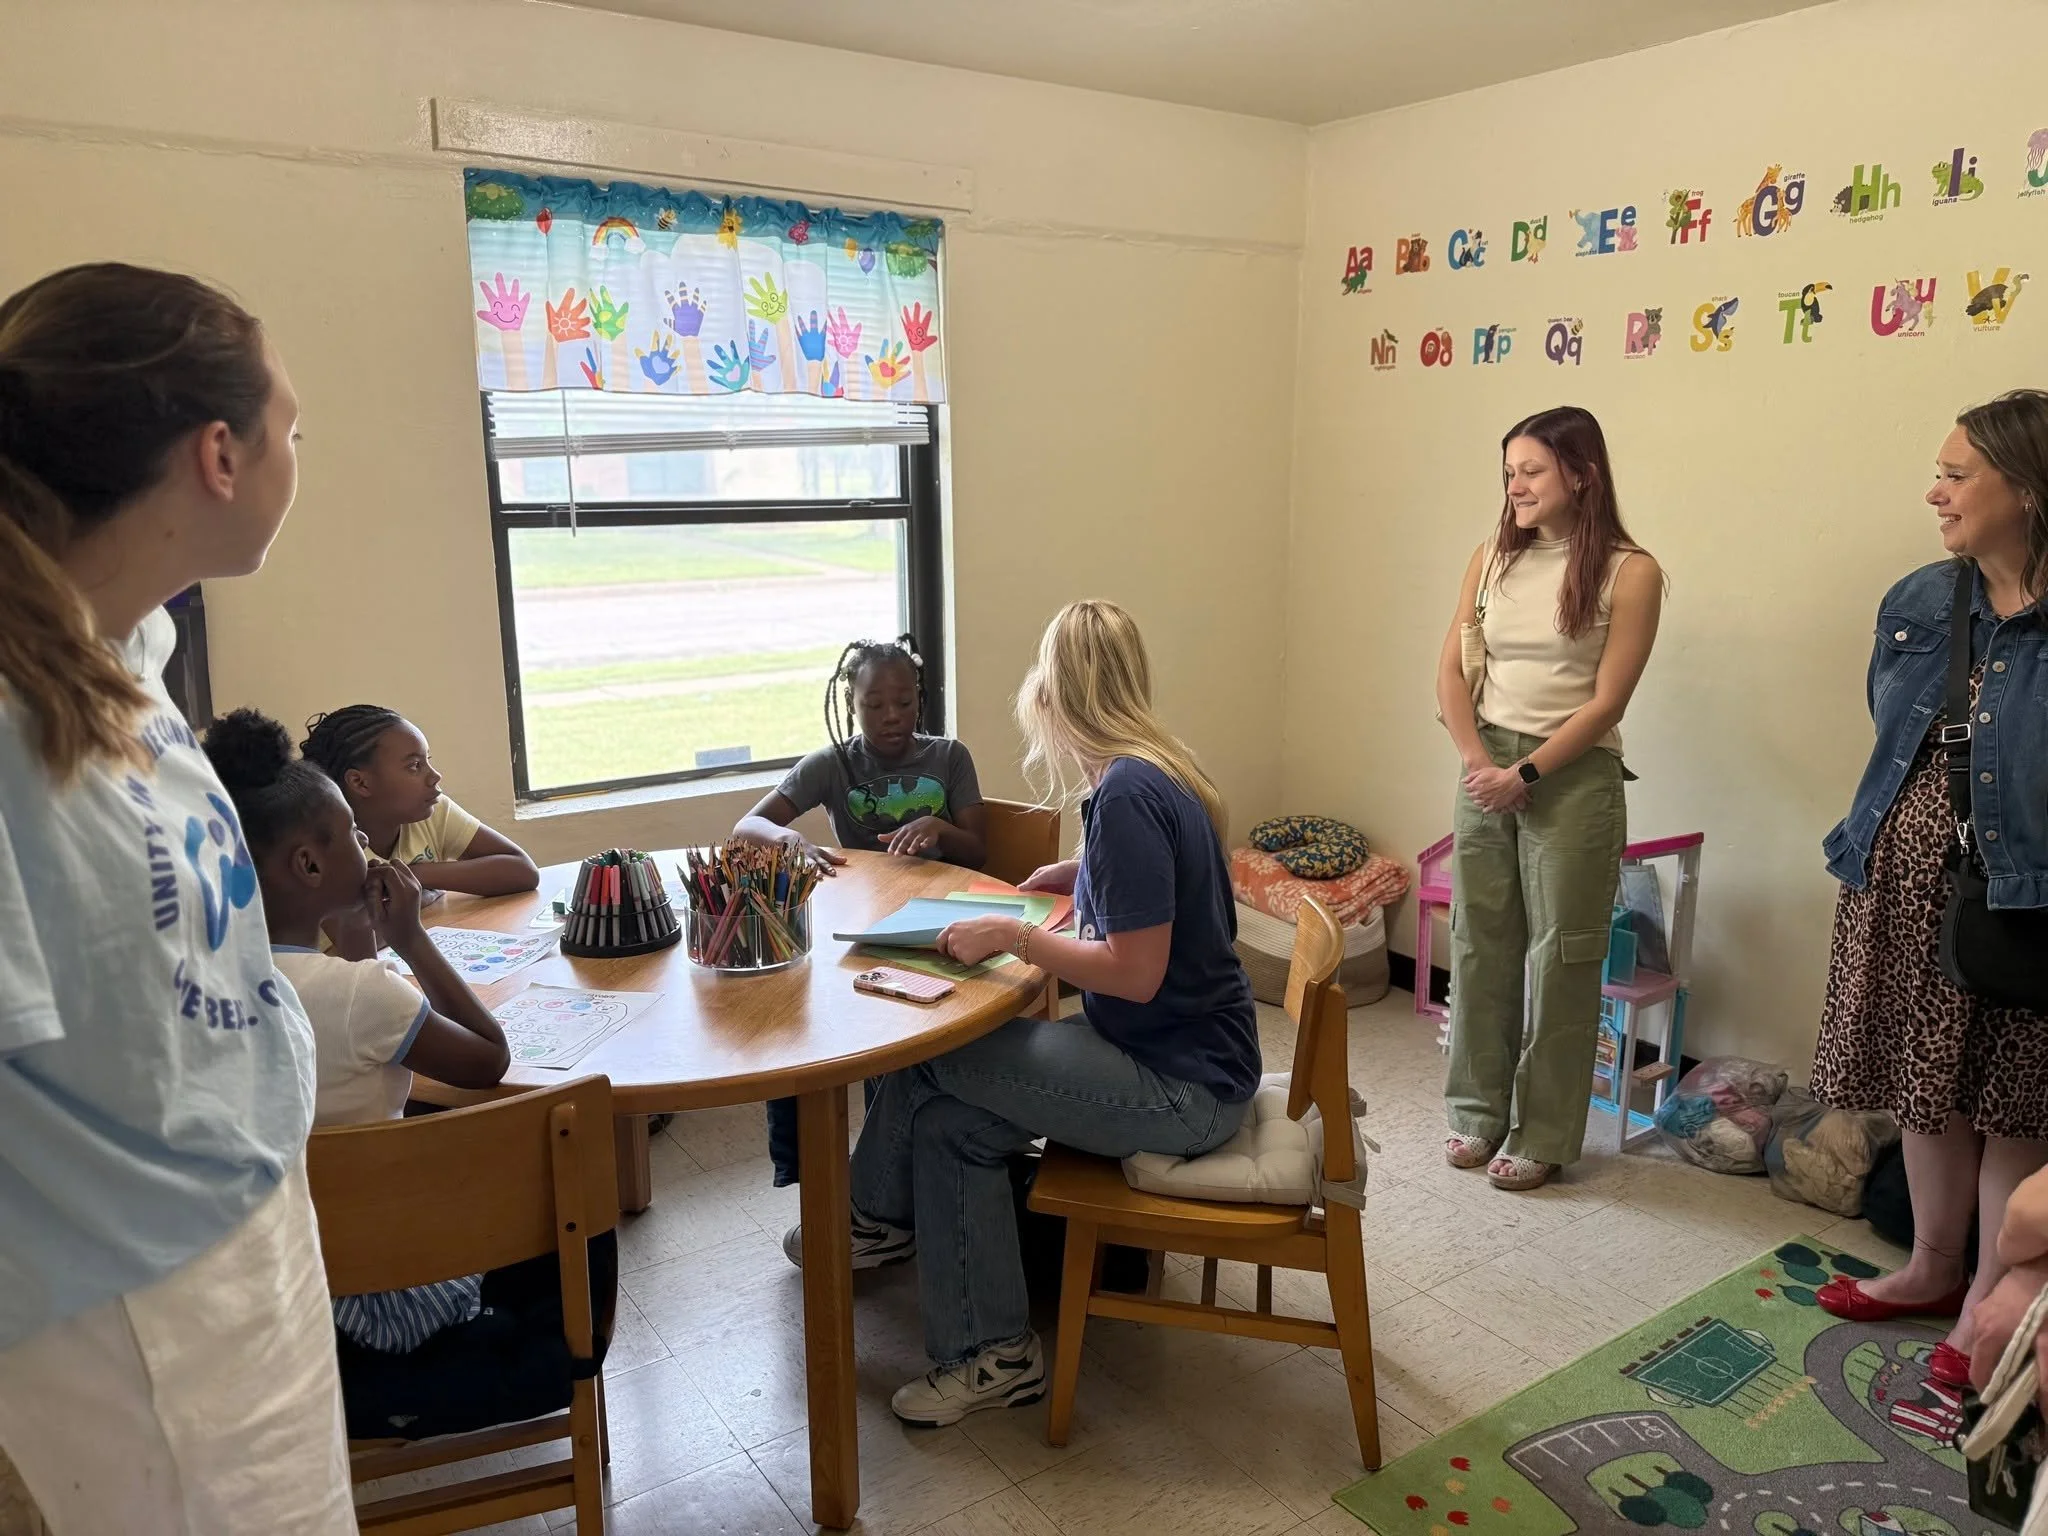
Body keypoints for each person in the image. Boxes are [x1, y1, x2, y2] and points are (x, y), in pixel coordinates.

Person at [0, 263, 355, 1532]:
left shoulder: (122, 648)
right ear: (220, 453)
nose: (296, 454)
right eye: (292, 429)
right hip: (137, 1313)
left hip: (244, 1237)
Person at [780, 600, 1259, 1427]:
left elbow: (1135, 975)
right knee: (949, 1126)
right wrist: (1079, 874)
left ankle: (867, 1220)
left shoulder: (1127, 795)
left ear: (1056, 692)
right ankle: (996, 1352)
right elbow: (1161, 896)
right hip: (1186, 1055)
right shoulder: (1158, 770)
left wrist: (1014, 937)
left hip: (1181, 1085)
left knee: (926, 1052)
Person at [1810, 390, 2048, 1391]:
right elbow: (1888, 726)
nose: (1933, 493)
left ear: (2026, 489)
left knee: (2008, 1105)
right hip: (1898, 884)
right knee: (1923, 1086)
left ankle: (1985, 1307)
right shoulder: (1916, 601)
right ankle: (1926, 1269)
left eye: (1955, 475)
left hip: (2021, 904)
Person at [204, 707, 511, 1355]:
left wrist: (359, 953)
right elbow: (489, 1060)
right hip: (380, 1295)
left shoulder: (211, 983)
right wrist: (411, 942)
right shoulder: (362, 993)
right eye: (351, 836)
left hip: (278, 1280)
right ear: (310, 867)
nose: (366, 850)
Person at [1435, 406, 1663, 1192]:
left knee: (1563, 957)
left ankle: (1545, 1132)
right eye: (1508, 473)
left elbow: (1607, 702)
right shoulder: (1492, 559)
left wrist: (1524, 776)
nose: (1516, 487)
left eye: (1531, 471)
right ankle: (1475, 1112)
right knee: (1479, 942)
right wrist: (1478, 764)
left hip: (1573, 772)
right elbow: (1450, 674)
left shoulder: (1631, 571)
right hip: (1484, 760)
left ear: (1580, 473)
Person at [735, 634, 987, 1187]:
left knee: (892, 1032)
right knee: (792, 1010)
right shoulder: (833, 765)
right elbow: (747, 826)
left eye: (903, 701)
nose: (890, 716)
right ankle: (808, 1175)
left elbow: (978, 850)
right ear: (852, 704)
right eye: (874, 705)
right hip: (856, 926)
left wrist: (941, 827)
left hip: (934, 925)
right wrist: (788, 840)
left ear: (920, 698)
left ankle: (885, 1170)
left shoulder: (949, 756)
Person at [300, 704, 537, 956]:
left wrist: (414, 875)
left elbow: (521, 871)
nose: (435, 776)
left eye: (428, 761)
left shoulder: (429, 810)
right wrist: (420, 898)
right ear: (360, 782)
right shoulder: (327, 845)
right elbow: (358, 943)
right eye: (414, 766)